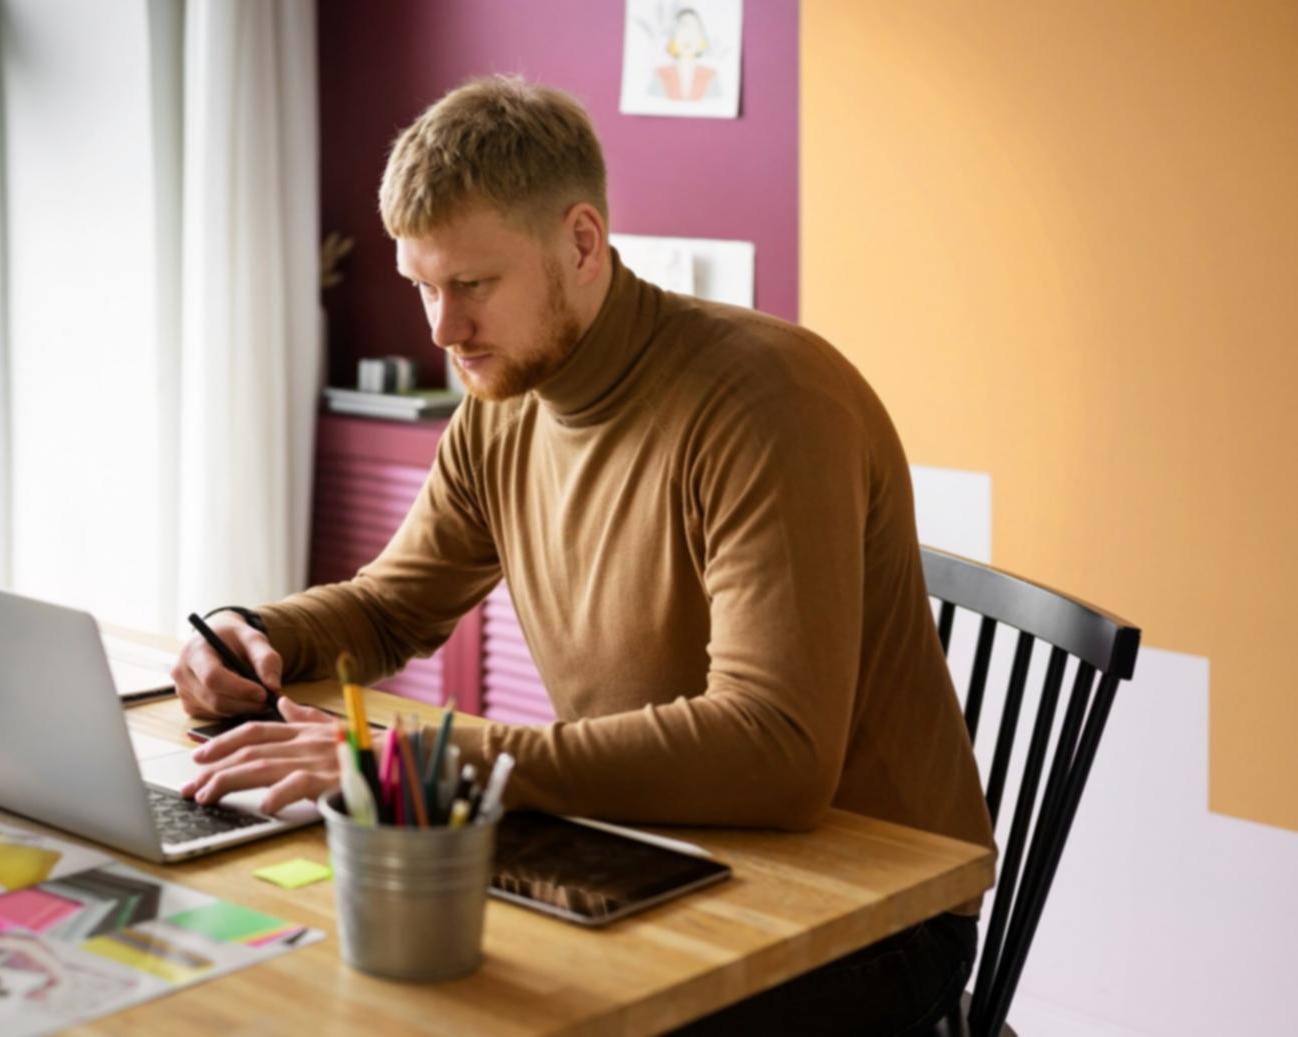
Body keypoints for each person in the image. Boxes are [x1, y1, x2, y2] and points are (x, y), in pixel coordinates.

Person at [172, 75, 993, 1034]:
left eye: (472, 285)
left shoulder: (767, 402)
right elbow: (393, 606)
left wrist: (424, 760)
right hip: (649, 844)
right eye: (422, 287)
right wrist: (254, 634)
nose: (441, 330)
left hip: (874, 912)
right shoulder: (504, 402)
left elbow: (777, 750)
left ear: (582, 242)